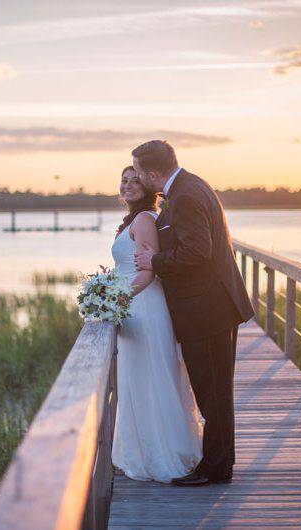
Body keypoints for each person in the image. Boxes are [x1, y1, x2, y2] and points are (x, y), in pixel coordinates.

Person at [132, 140, 255, 486]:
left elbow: (197, 253)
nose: (139, 178)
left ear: (153, 173)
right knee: (213, 392)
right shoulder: (190, 185)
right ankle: (217, 464)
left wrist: (153, 261)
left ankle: (216, 469)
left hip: (208, 310)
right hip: (209, 307)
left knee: (213, 394)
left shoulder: (185, 195)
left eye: (140, 172)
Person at [110, 165, 203, 483]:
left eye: (135, 180)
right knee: (137, 380)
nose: (127, 185)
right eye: (124, 180)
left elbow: (148, 274)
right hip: (135, 307)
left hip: (145, 308)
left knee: (151, 379)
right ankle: (141, 451)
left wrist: (114, 300)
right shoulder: (136, 219)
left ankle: (163, 455)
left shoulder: (145, 219)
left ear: (149, 186)